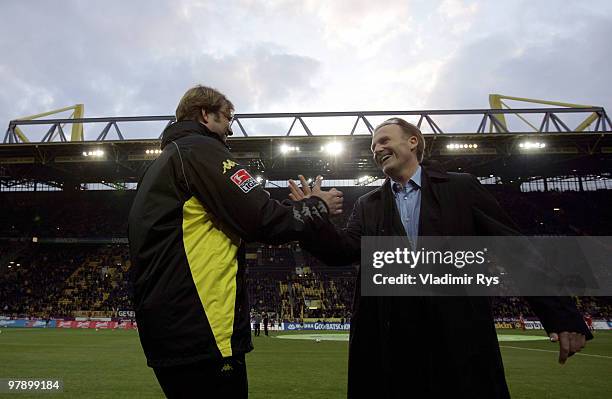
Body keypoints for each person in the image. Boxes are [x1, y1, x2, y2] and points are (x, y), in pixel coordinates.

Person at [290, 117, 592, 398]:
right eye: (372, 146)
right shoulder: (369, 204)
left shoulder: (461, 188)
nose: (376, 149)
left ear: (412, 142)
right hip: (393, 345)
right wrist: (312, 215)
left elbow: (514, 249)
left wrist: (561, 315)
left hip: (459, 341)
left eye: (383, 140)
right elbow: (341, 251)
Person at [128, 84, 343, 398]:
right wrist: (317, 206)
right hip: (203, 329)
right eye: (228, 117)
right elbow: (261, 218)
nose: (230, 128)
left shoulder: (161, 164)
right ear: (205, 114)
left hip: (169, 328)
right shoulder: (200, 150)